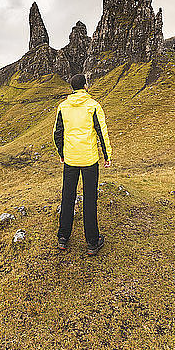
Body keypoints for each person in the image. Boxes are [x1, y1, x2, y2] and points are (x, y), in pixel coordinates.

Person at [53, 73, 112, 255]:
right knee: (89, 199)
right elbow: (102, 132)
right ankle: (93, 242)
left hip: (70, 159)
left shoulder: (63, 107)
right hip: (89, 160)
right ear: (85, 86)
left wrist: (62, 153)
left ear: (72, 88)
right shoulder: (93, 106)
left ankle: (63, 237)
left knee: (67, 197)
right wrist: (107, 155)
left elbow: (57, 133)